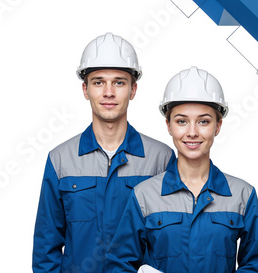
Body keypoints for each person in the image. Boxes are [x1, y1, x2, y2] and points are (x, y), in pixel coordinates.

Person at [32, 32, 175, 273]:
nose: (108, 92)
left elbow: (171, 244)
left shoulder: (160, 160)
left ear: (133, 89)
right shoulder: (60, 160)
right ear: (85, 89)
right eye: (98, 82)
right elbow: (46, 248)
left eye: (119, 82)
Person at [106, 66, 258, 272]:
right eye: (182, 121)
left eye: (203, 121)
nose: (192, 132)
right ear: (168, 126)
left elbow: (257, 263)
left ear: (218, 126)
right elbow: (119, 264)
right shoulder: (144, 195)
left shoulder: (242, 195)